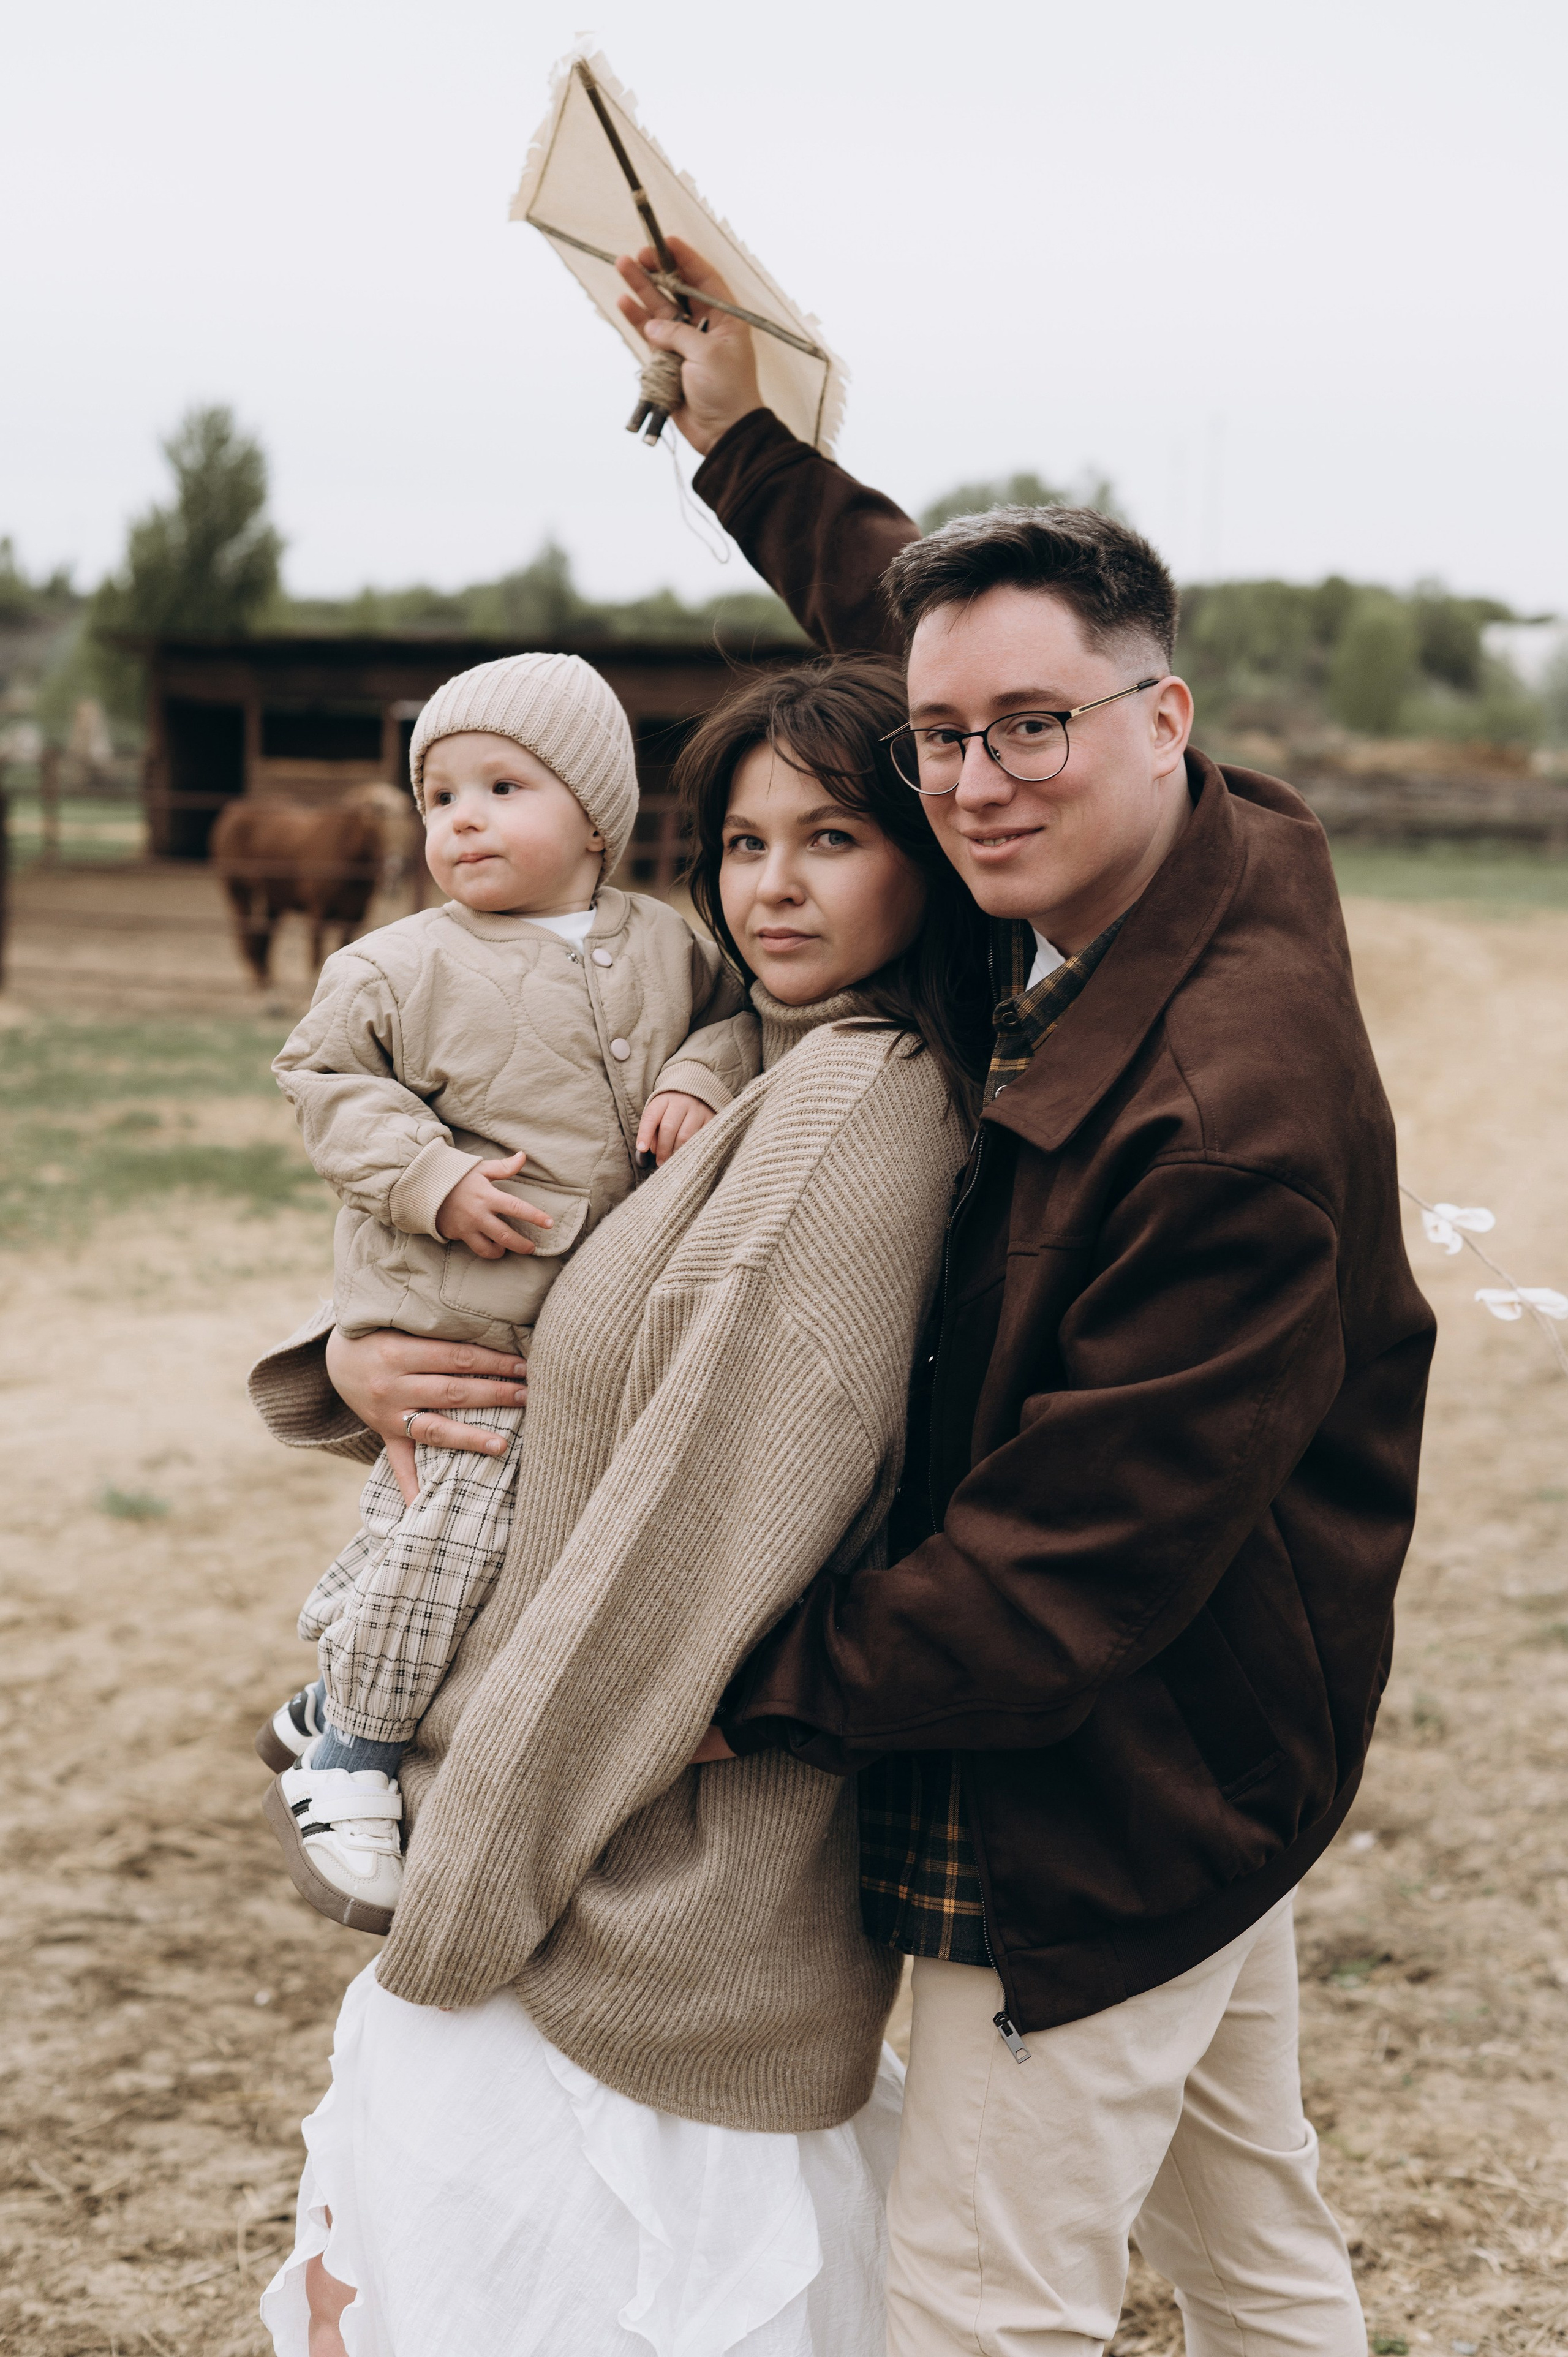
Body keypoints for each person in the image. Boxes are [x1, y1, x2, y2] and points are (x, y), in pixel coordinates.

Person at [607, 238, 1439, 2354]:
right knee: (1256, 2252)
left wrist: (722, 1671)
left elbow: (1055, 1580)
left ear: (1162, 719)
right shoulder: (1188, 846)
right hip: (1220, 1752)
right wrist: (735, 435)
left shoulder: (1223, 1114)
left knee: (977, 2301)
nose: (971, 781)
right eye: (948, 738)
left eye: (1032, 732)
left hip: (1106, 1773)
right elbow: (903, 609)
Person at [252, 655, 995, 2355]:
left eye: (835, 838)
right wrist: (356, 1360)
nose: (774, 888)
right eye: (741, 843)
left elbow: (673, 1572)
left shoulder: (843, 1122)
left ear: (929, 857)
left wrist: (461, 1894)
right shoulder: (755, 1064)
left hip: (621, 1911)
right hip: (598, 1873)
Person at [254, 649, 759, 1930]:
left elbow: (737, 1021)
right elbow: (323, 1087)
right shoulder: (393, 969)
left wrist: (700, 1076)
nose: (458, 818)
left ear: (596, 816)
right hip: (457, 1326)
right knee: (446, 1533)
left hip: (594, 1337)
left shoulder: (669, 944)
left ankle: (335, 1686)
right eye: (437, 796)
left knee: (525, 1559)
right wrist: (428, 1173)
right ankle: (352, 1752)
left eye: (499, 786)